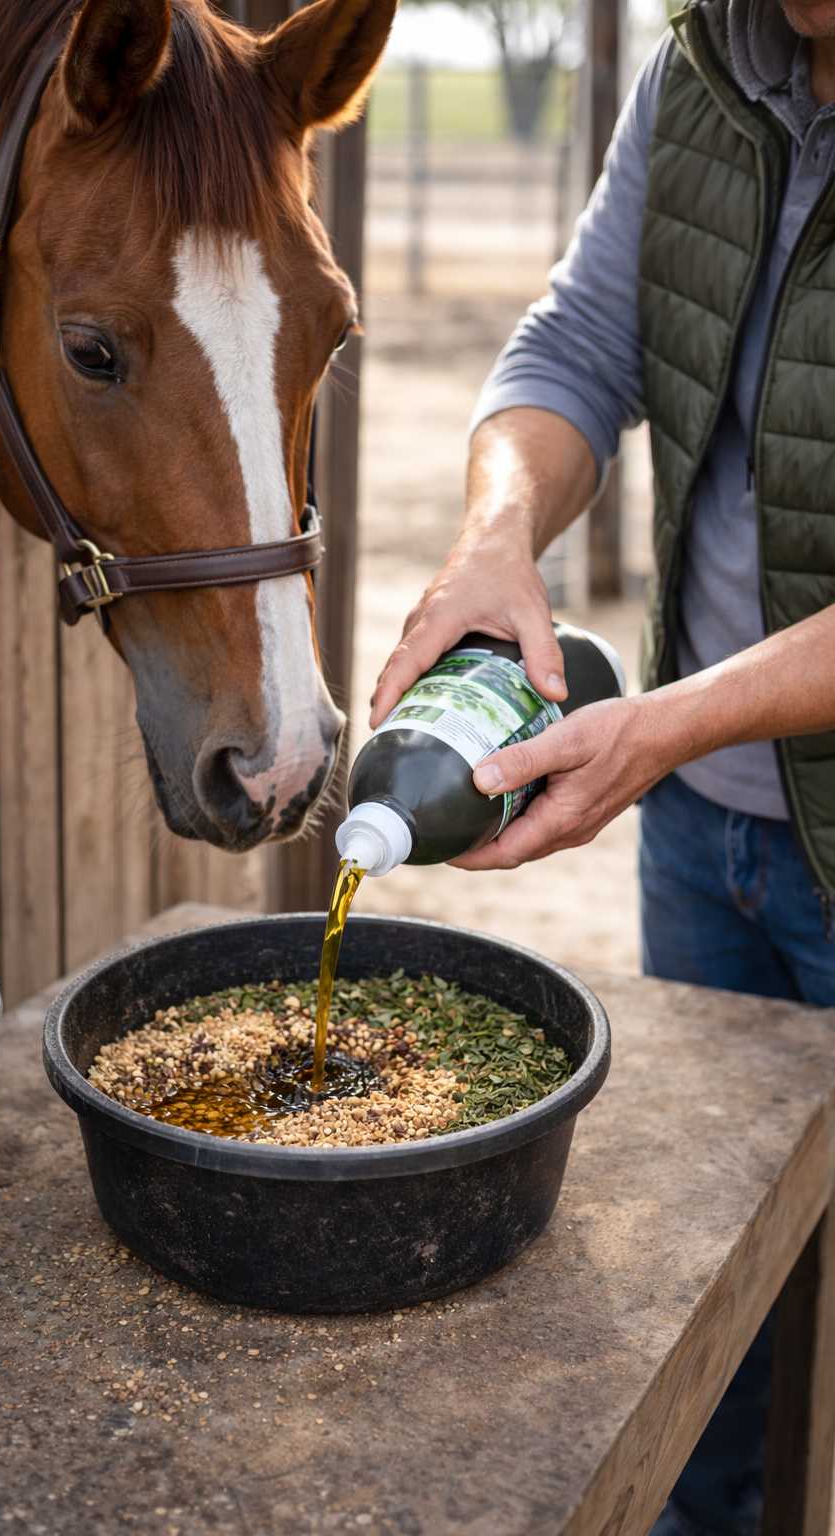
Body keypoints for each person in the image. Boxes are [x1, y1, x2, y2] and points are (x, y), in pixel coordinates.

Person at [371, 0, 835, 1532]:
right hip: (708, 836)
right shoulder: (706, 69)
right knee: (713, 1290)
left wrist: (664, 722)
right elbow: (579, 345)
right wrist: (499, 530)